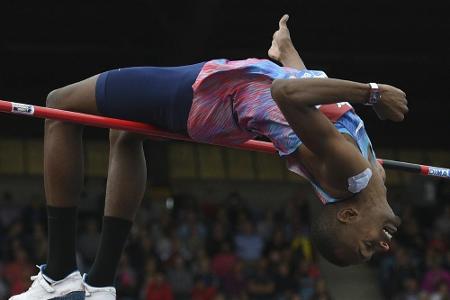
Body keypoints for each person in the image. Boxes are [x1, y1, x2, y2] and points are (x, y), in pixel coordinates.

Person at [10, 14, 408, 299]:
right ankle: (100, 285)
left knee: (58, 107)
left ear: (348, 216)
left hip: (203, 95)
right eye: (372, 249)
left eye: (367, 246)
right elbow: (313, 98)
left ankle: (60, 273)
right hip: (220, 98)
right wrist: (288, 55)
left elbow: (286, 96)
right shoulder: (369, 171)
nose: (383, 246)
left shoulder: (349, 170)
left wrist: (372, 92)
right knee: (124, 135)